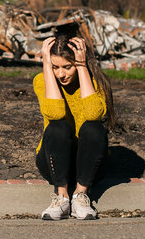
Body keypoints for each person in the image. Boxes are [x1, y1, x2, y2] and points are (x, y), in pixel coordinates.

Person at [33, 34, 115, 220]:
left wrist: (82, 67)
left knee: (93, 128)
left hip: (89, 166)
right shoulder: (42, 80)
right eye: (56, 67)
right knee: (57, 127)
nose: (61, 74)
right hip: (54, 162)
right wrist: (47, 66)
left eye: (67, 67)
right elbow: (55, 113)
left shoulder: (94, 81)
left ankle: (80, 196)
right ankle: (61, 197)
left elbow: (94, 114)